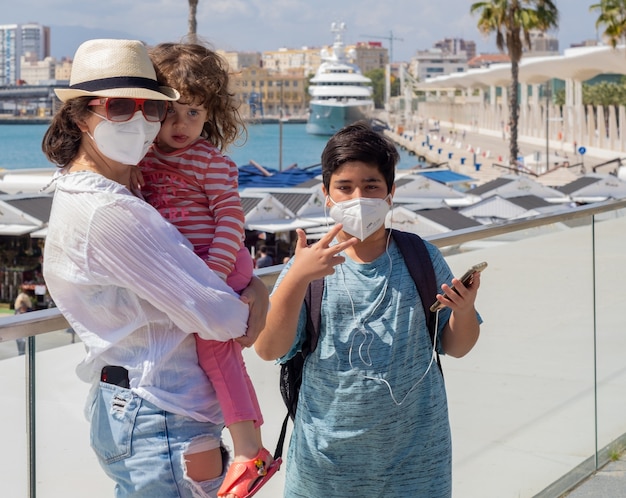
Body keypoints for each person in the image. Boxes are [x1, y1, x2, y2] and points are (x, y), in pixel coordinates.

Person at [40, 38, 269, 498]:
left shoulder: (112, 192)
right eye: (120, 107)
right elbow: (223, 318)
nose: (142, 120)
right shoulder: (109, 211)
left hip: (140, 407)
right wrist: (257, 296)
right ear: (82, 116)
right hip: (161, 411)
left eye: (152, 107)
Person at [254, 121, 482, 498]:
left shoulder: (421, 257)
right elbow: (268, 349)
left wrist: (465, 309)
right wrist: (296, 278)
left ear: (391, 193)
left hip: (417, 464)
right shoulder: (309, 266)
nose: (358, 197)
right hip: (323, 468)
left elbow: (455, 346)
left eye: (371, 186)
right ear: (326, 194)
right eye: (344, 187)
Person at [138, 42, 279, 498]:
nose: (181, 125)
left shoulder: (212, 162)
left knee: (217, 350)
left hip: (219, 264)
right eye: (170, 113)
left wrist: (211, 277)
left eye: (194, 114)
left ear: (211, 114)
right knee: (220, 352)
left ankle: (248, 450)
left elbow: (229, 220)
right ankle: (249, 448)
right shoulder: (143, 161)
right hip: (192, 272)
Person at [14, 285, 33, 355]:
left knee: (28, 351)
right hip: (19, 334)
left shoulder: (29, 311)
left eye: (24, 303)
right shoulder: (17, 311)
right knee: (21, 352)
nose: (23, 305)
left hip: (27, 333)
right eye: (21, 303)